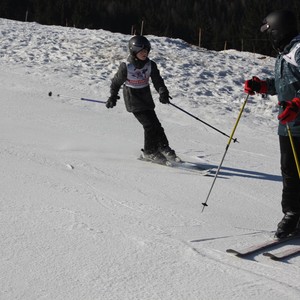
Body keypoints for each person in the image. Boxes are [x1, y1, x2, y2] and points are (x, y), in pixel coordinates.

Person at [244, 10, 300, 239]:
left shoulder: (298, 50)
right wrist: (262, 86)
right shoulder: (285, 52)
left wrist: (297, 104)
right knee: (289, 172)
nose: (269, 38)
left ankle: (293, 213)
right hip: (288, 125)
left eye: (270, 33)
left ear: (278, 30)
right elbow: (285, 84)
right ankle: (293, 213)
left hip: (295, 121)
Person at [106, 35, 179, 163]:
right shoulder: (126, 66)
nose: (145, 53)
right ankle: (149, 152)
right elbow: (116, 82)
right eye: (142, 51)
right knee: (149, 125)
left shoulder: (150, 65)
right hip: (133, 98)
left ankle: (163, 147)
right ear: (134, 51)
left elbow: (157, 81)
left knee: (157, 125)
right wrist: (113, 96)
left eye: (147, 51)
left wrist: (163, 92)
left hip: (145, 97)